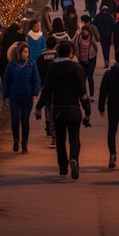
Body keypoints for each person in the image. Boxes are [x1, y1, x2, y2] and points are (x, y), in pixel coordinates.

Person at [35, 41, 91, 180]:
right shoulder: (76, 68)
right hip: (73, 109)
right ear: (71, 53)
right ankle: (74, 159)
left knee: (60, 139)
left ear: (58, 53)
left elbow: (47, 90)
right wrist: (87, 110)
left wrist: (38, 107)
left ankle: (63, 167)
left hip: (58, 109)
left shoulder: (53, 68)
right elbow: (82, 92)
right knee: (74, 138)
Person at [2, 41, 41, 154]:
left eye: (27, 52)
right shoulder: (11, 65)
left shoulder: (31, 64)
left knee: (25, 120)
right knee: (15, 119)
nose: (26, 54)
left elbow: (36, 79)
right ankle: (16, 139)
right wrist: (6, 95)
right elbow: (7, 80)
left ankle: (24, 143)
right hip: (14, 97)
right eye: (24, 52)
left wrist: (35, 93)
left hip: (27, 97)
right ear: (19, 53)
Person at [36, 36, 58, 145]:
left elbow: (38, 71)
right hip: (57, 86)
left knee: (47, 105)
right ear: (55, 45)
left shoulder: (41, 57)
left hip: (44, 84)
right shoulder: (58, 57)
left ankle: (48, 124)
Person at [73, 24, 98, 101]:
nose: (84, 32)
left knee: (90, 77)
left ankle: (91, 95)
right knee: (82, 78)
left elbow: (95, 47)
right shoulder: (79, 37)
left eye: (85, 30)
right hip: (81, 60)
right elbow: (74, 45)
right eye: (83, 30)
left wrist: (94, 54)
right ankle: (83, 94)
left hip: (91, 59)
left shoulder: (91, 38)